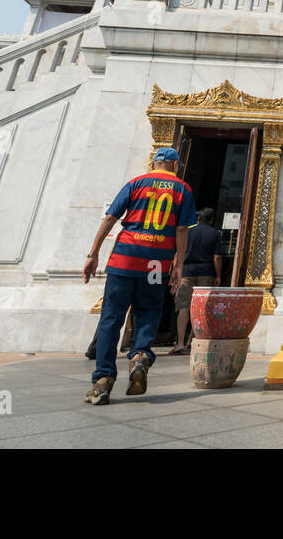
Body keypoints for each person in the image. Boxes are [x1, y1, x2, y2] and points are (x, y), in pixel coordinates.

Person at [82, 148, 195, 405]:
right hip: (156, 263)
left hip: (125, 258)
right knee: (149, 311)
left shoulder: (136, 183)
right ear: (175, 166)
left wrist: (93, 253)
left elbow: (111, 217)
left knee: (111, 318)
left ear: (154, 163)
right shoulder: (183, 189)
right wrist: (178, 264)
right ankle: (141, 354)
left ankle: (102, 382)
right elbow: (181, 229)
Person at [169, 207, 222, 354]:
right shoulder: (214, 233)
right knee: (200, 308)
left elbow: (177, 254)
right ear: (211, 220)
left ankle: (180, 342)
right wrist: (218, 275)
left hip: (186, 271)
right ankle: (193, 340)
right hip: (206, 272)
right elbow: (216, 257)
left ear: (198, 218)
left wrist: (175, 271)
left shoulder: (188, 231)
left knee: (183, 307)